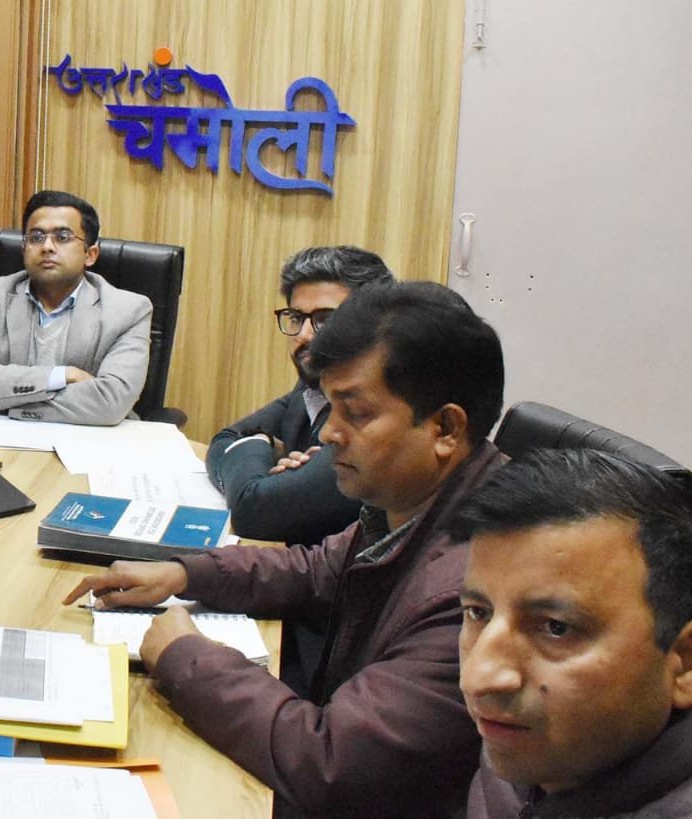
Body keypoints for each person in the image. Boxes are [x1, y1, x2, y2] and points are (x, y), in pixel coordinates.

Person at [64, 281, 506, 818]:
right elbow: (315, 570)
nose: (329, 435)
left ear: (446, 427)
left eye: (356, 414)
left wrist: (186, 656)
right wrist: (184, 574)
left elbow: (330, 763)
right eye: (330, 409)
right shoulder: (412, 504)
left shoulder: (478, 591)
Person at [454, 449, 692, 817]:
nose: (477, 679)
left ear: (685, 663)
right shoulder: (537, 748)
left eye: (556, 628)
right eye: (478, 612)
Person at [206, 245, 393, 696]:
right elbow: (227, 439)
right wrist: (266, 453)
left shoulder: (373, 413)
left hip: (330, 650)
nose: (307, 336)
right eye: (297, 318)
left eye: (326, 320)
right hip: (291, 589)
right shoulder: (313, 386)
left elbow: (255, 510)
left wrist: (265, 475)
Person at [0, 190, 152, 425]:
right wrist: (63, 375)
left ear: (90, 254)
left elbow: (110, 403)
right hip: (1, 437)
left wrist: (5, 402)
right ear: (24, 248)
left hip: (90, 439)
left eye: (63, 237)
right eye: (36, 237)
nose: (47, 246)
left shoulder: (129, 311)